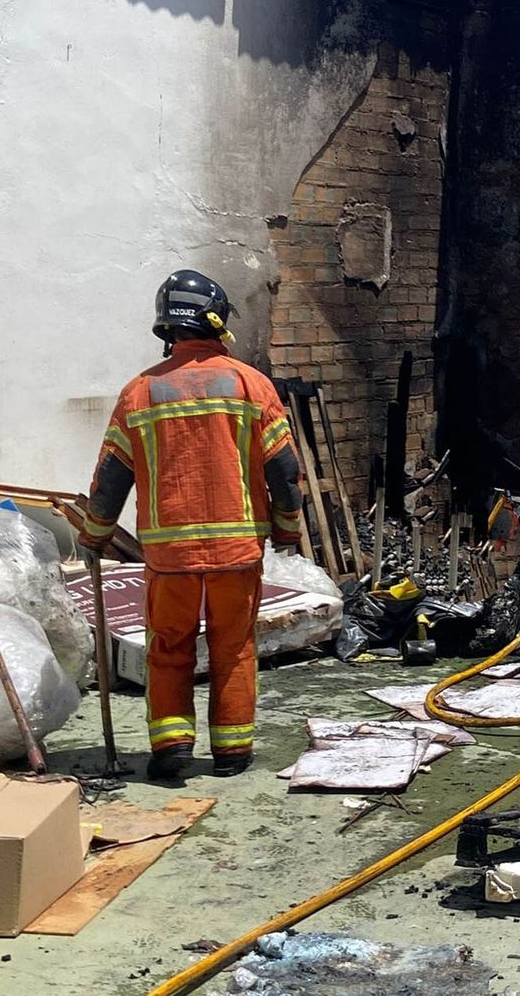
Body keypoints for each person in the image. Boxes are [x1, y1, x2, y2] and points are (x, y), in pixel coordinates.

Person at [78, 270, 304, 781]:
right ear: (217, 321)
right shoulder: (250, 385)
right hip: (237, 554)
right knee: (234, 648)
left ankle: (173, 750)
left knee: (169, 649)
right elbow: (285, 472)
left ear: (167, 328)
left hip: (168, 558)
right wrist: (288, 529)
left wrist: (93, 536)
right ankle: (232, 753)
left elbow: (110, 479)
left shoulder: (141, 392)